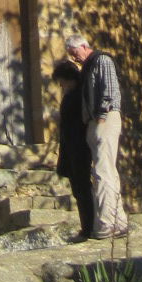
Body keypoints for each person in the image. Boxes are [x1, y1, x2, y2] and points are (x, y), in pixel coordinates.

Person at [65, 32, 128, 239]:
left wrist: (100, 117)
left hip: (104, 120)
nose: (74, 58)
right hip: (95, 122)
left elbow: (109, 90)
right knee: (108, 171)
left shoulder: (102, 60)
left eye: (74, 53)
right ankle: (119, 222)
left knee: (102, 172)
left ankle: (106, 225)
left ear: (83, 46)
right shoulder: (89, 66)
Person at [51, 59, 92, 239]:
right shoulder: (75, 96)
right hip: (73, 148)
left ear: (68, 79)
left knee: (82, 189)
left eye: (61, 81)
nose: (60, 85)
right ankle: (88, 226)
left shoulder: (77, 96)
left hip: (79, 148)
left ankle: (89, 227)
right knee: (80, 189)